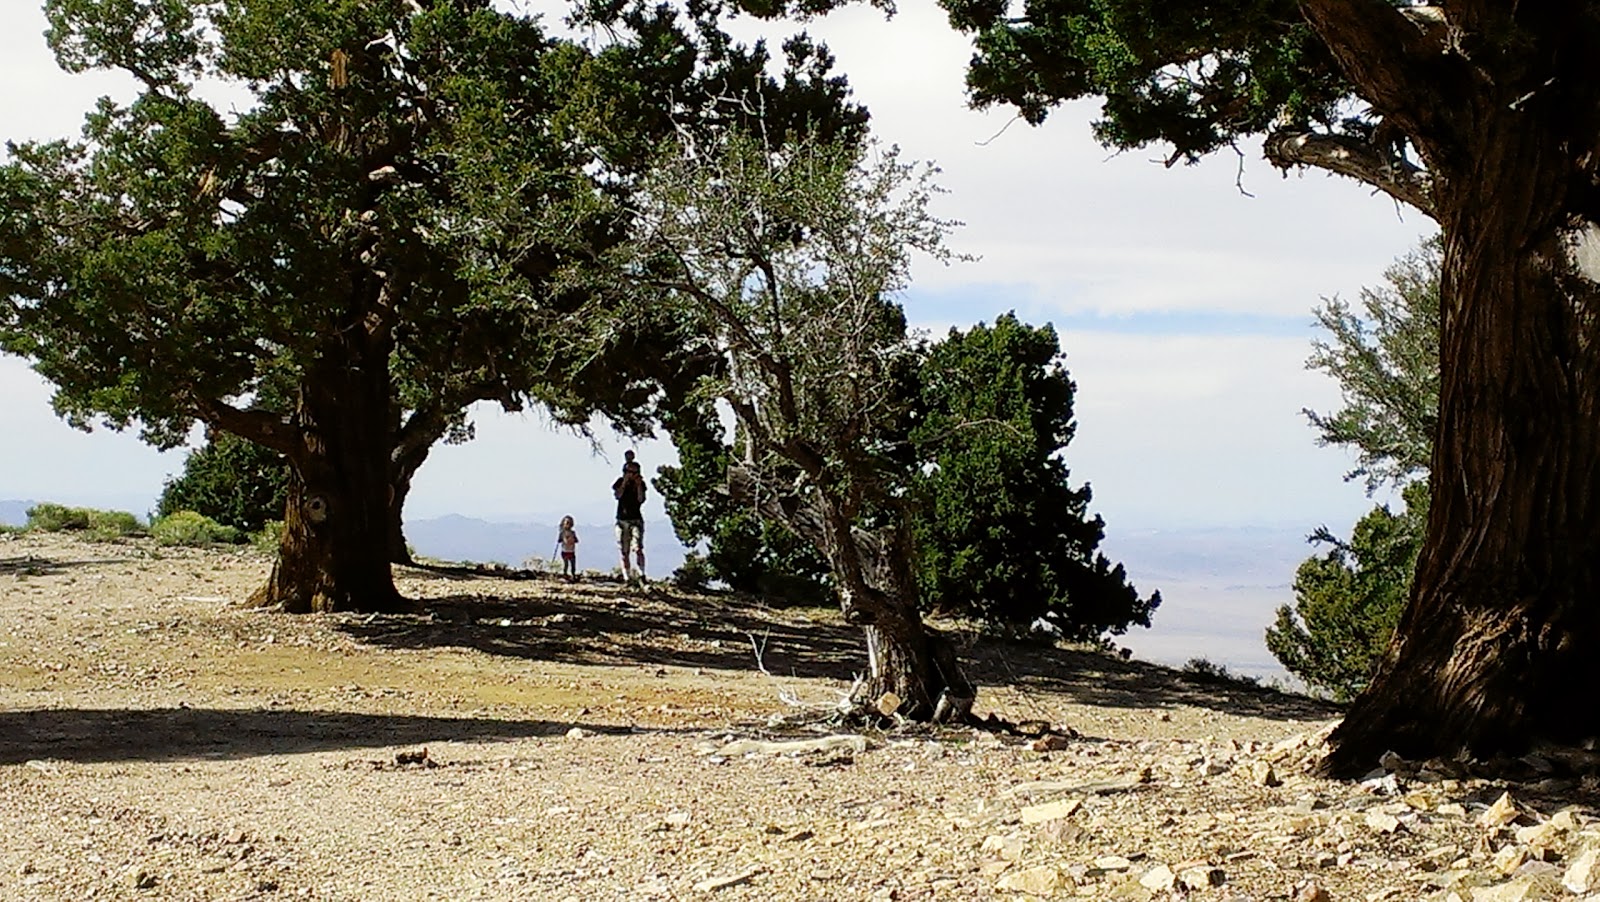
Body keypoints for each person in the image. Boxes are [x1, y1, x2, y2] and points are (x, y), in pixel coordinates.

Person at [612, 457, 647, 583]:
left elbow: (641, 500)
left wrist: (638, 486)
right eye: (629, 472)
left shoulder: (641, 484)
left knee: (638, 548)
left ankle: (641, 575)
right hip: (622, 520)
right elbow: (618, 495)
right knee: (623, 550)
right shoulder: (620, 482)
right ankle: (626, 577)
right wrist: (624, 483)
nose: (631, 475)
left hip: (635, 519)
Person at [555, 515, 579, 582]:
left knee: (573, 564)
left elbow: (576, 540)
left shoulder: (572, 533)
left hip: (571, 551)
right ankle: (565, 575)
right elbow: (559, 540)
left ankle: (573, 575)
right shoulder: (562, 533)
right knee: (566, 564)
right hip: (565, 551)